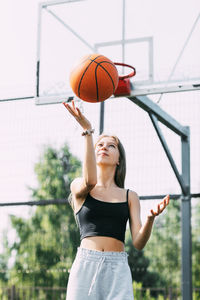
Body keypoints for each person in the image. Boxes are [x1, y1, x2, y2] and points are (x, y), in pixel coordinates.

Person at [63, 100, 170, 300]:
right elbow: (91, 180)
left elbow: (138, 242)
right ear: (93, 154)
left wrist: (150, 218)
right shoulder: (79, 186)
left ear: (118, 158)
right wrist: (87, 130)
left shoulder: (130, 196)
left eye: (111, 146)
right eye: (100, 145)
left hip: (117, 268)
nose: (104, 147)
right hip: (86, 266)